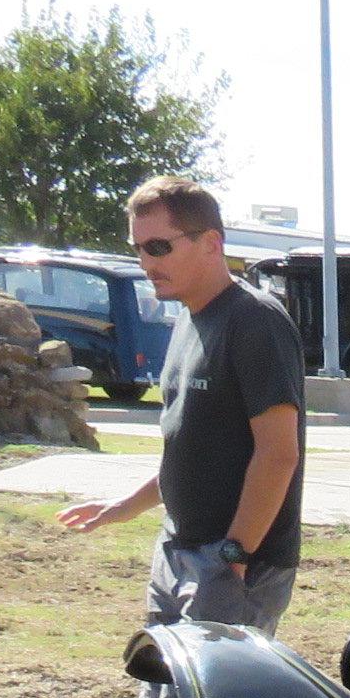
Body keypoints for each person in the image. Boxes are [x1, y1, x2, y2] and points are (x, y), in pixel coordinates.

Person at [57, 177, 303, 636]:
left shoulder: (255, 321)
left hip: (233, 564)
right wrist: (125, 507)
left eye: (158, 247)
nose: (146, 263)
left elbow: (278, 454)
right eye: (139, 249)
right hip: (177, 552)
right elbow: (194, 453)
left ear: (211, 242)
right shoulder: (188, 321)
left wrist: (234, 556)